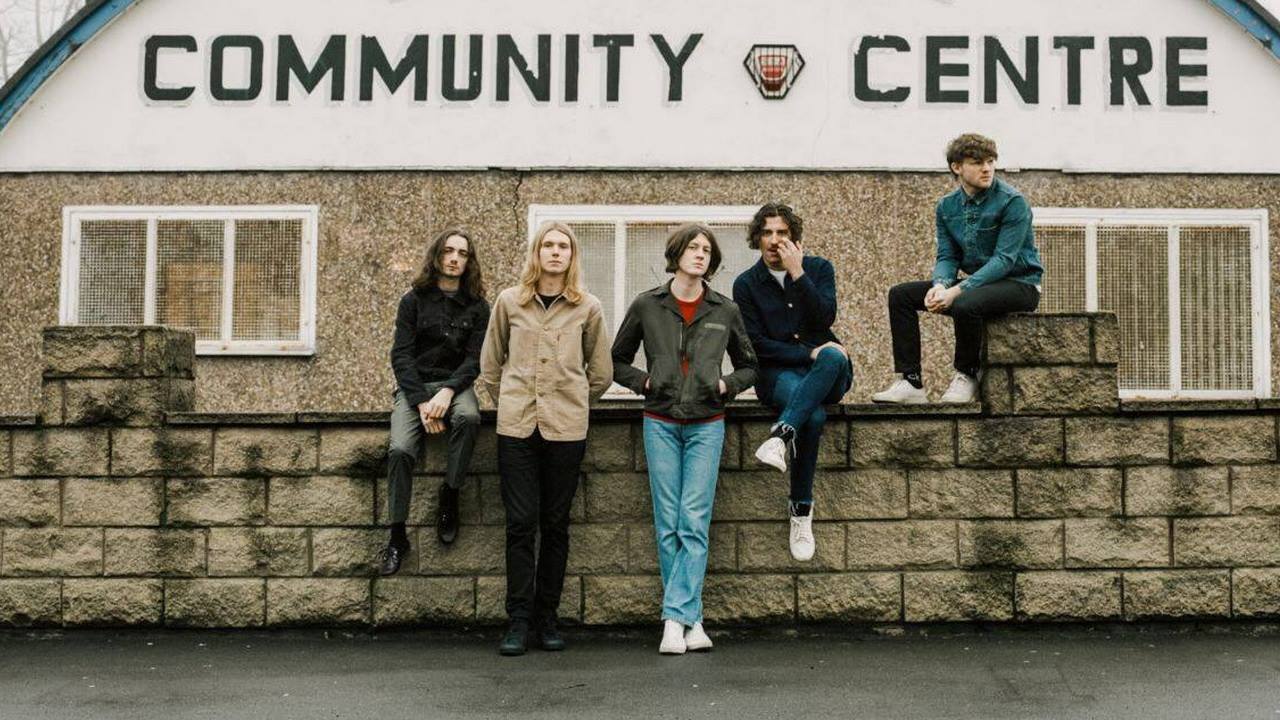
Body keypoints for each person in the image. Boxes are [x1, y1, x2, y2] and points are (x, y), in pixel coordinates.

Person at [611, 224, 757, 655]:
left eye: (706, 250)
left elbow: (750, 366)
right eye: (692, 248)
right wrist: (645, 382)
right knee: (668, 521)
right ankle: (691, 621)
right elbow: (617, 360)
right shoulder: (647, 305)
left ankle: (674, 620)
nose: (700, 255)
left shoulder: (724, 309)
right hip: (660, 420)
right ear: (676, 254)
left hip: (707, 423)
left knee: (693, 520)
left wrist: (728, 384)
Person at [476, 221, 613, 656]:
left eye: (564, 247)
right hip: (516, 428)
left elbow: (602, 373)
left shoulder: (587, 307)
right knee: (519, 525)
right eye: (548, 245)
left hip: (566, 430)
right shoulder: (508, 303)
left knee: (555, 525)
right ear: (536, 253)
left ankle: (547, 619)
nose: (556, 252)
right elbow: (490, 364)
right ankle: (517, 620)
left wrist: (571, 399)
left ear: (572, 257)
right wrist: (512, 400)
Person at [872, 133, 1043, 404]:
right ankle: (910, 382)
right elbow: (948, 255)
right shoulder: (947, 206)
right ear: (957, 167)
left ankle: (967, 375)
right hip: (978, 284)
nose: (987, 168)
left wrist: (957, 290)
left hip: (1019, 284)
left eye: (990, 161)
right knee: (900, 295)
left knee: (965, 304)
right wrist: (941, 284)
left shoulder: (1012, 202)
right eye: (977, 162)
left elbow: (1004, 260)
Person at [732, 203, 853, 562]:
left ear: (794, 237)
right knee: (812, 417)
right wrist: (806, 354)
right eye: (767, 233)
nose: (774, 240)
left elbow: (825, 316)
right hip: (779, 375)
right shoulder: (746, 284)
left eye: (781, 233)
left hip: (827, 374)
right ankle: (801, 511)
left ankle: (780, 435)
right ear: (757, 238)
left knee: (834, 354)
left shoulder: (818, 269)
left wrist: (798, 274)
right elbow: (755, 345)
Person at [379, 228, 488, 576]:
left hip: (455, 388)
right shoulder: (413, 300)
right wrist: (422, 401)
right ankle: (397, 535)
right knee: (399, 450)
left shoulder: (479, 306)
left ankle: (450, 494)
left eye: (462, 253)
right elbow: (401, 355)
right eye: (448, 251)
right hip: (416, 389)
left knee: (469, 418)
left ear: (469, 261)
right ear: (437, 256)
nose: (455, 258)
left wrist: (447, 393)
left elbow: (475, 360)